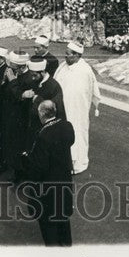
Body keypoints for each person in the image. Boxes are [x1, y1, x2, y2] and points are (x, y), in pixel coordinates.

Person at [24, 99, 76, 247]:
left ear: (41, 114)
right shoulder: (67, 126)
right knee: (63, 219)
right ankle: (67, 247)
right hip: (64, 181)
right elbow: (70, 141)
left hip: (47, 187)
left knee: (48, 224)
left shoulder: (43, 135)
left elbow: (39, 167)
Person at [53, 41, 101, 174]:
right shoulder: (63, 66)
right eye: (65, 53)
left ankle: (76, 163)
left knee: (76, 134)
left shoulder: (84, 71)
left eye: (68, 55)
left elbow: (81, 93)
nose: (65, 56)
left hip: (76, 110)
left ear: (77, 56)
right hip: (63, 108)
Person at [3, 51, 36, 179]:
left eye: (13, 66)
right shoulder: (16, 73)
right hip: (11, 114)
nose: (10, 68)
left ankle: (20, 173)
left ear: (21, 66)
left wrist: (11, 81)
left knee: (19, 146)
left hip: (21, 118)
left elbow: (19, 96)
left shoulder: (28, 79)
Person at [23, 58, 66, 150]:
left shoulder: (54, 86)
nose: (32, 78)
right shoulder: (33, 81)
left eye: (34, 75)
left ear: (42, 72)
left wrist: (37, 99)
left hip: (45, 129)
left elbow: (55, 108)